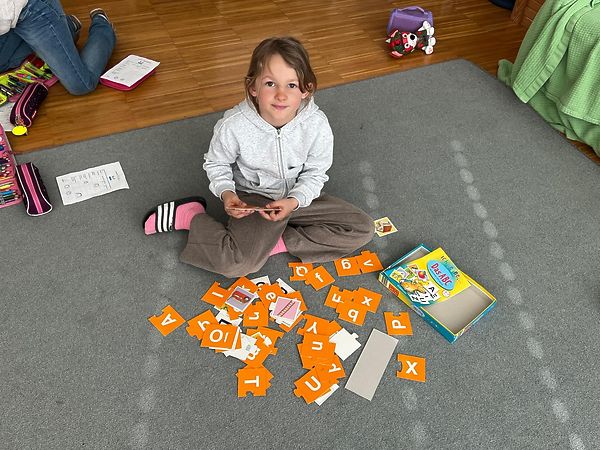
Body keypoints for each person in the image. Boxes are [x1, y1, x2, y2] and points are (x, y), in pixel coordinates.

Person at [143, 36, 374, 278]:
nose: (281, 95)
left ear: (306, 89)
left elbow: (316, 173)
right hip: (255, 202)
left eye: (291, 85)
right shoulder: (233, 125)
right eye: (270, 84)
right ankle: (191, 216)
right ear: (253, 87)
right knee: (236, 264)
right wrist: (227, 193)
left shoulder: (317, 124)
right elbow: (216, 163)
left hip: (298, 199)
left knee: (362, 228)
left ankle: (274, 242)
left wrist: (294, 200)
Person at [0, 0, 116, 95]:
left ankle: (102, 26)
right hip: (9, 18)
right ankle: (66, 29)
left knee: (81, 85)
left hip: (34, 11)